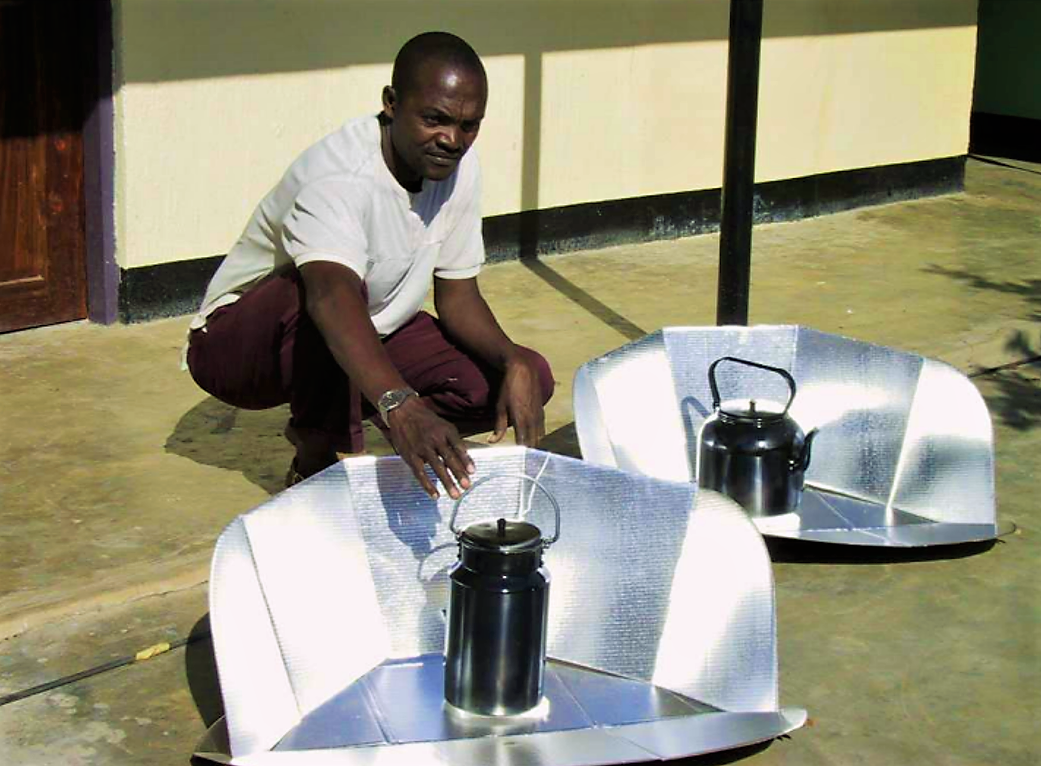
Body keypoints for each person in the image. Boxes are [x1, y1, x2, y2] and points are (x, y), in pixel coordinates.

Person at [184, 32, 554, 500]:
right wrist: (400, 402)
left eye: (469, 125)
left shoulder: (460, 167)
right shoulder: (339, 175)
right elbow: (329, 295)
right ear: (392, 103)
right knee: (322, 295)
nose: (452, 139)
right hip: (238, 347)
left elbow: (459, 296)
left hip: (362, 325)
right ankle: (314, 461)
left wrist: (511, 357)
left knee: (524, 378)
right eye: (435, 119)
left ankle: (358, 403)